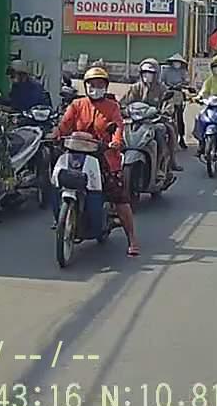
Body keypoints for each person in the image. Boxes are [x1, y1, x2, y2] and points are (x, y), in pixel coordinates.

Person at [55, 66, 139, 257]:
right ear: (85, 86)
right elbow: (64, 124)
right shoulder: (77, 104)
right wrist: (56, 133)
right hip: (76, 153)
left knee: (118, 196)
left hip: (105, 156)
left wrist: (116, 141)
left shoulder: (112, 107)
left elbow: (118, 126)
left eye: (100, 84)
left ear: (106, 86)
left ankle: (132, 238)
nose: (95, 88)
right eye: (92, 84)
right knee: (59, 179)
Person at [120, 58, 182, 172]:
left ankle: (165, 163)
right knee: (121, 133)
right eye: (144, 72)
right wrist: (123, 110)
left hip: (155, 121)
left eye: (150, 73)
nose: (147, 75)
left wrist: (165, 111)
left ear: (156, 74)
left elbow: (168, 104)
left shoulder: (162, 88)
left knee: (166, 130)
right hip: (136, 120)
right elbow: (124, 102)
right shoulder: (135, 88)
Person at [159, 54, 191, 148]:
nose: (177, 64)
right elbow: (161, 81)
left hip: (178, 94)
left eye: (178, 62)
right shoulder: (166, 70)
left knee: (180, 117)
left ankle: (181, 138)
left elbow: (187, 81)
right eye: (175, 62)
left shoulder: (183, 71)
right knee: (166, 115)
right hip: (168, 93)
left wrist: (182, 84)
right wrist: (167, 87)